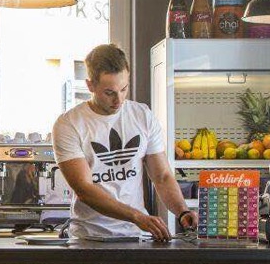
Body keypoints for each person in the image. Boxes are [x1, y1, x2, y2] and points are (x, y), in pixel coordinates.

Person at [53, 43, 197, 242]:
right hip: (89, 238)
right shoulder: (69, 124)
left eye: (124, 89)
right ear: (90, 86)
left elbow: (162, 176)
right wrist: (136, 216)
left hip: (137, 236)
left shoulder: (142, 115)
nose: (119, 100)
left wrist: (182, 211)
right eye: (109, 92)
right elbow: (85, 189)